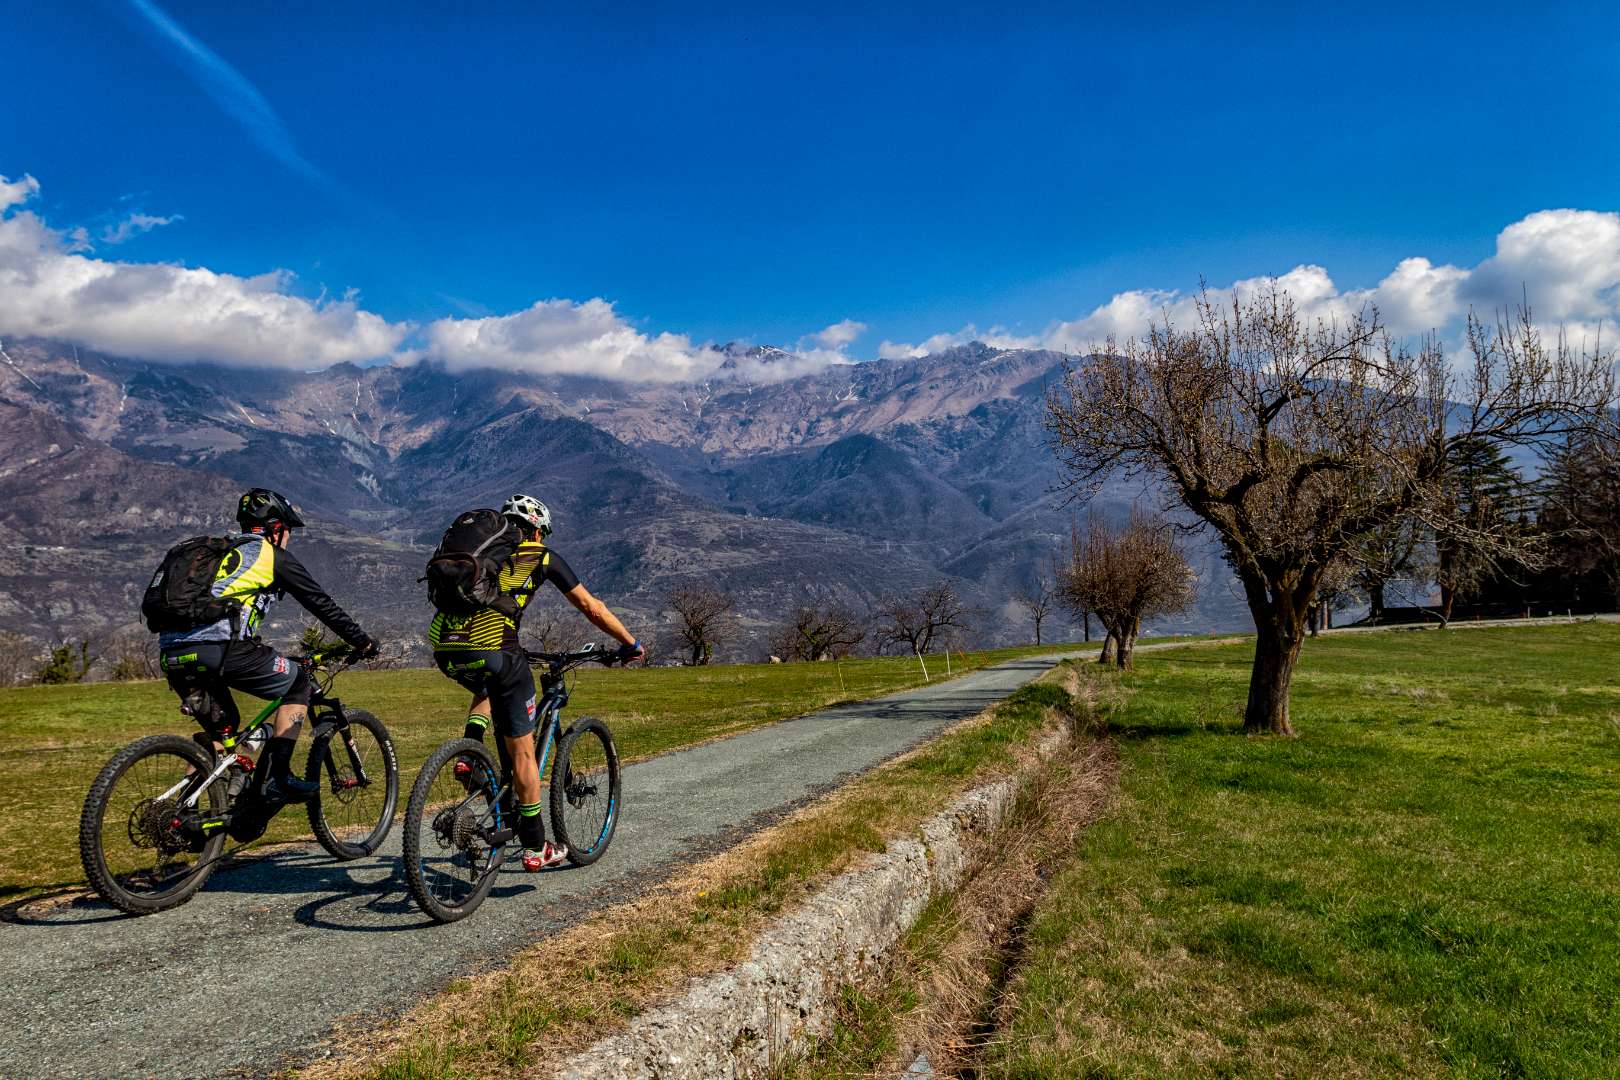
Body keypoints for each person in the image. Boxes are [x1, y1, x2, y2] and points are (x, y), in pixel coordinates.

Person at [429, 493, 643, 871]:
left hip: (445, 645)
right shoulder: (541, 556)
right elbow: (592, 608)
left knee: (489, 682)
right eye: (543, 533)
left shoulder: (484, 556)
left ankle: (470, 752)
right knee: (523, 749)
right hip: (496, 647)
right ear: (537, 531)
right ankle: (535, 846)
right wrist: (629, 643)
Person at [157, 489, 379, 823]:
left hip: (173, 652)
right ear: (276, 529)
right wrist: (363, 643)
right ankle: (279, 776)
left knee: (225, 735)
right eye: (287, 531)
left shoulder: (218, 553)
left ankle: (191, 815)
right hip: (224, 650)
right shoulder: (270, 555)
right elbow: (321, 604)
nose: (288, 538)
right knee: (298, 683)